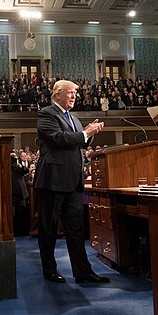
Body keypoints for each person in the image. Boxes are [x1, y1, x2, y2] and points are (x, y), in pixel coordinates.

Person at [34, 79, 109, 284]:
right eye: (71, 93)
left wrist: (89, 132)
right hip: (53, 179)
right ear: (58, 94)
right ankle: (49, 271)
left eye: (76, 93)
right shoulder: (47, 113)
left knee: (76, 229)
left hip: (74, 181)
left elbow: (79, 140)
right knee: (48, 227)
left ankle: (83, 272)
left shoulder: (74, 118)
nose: (75, 96)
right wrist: (86, 133)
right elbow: (58, 139)